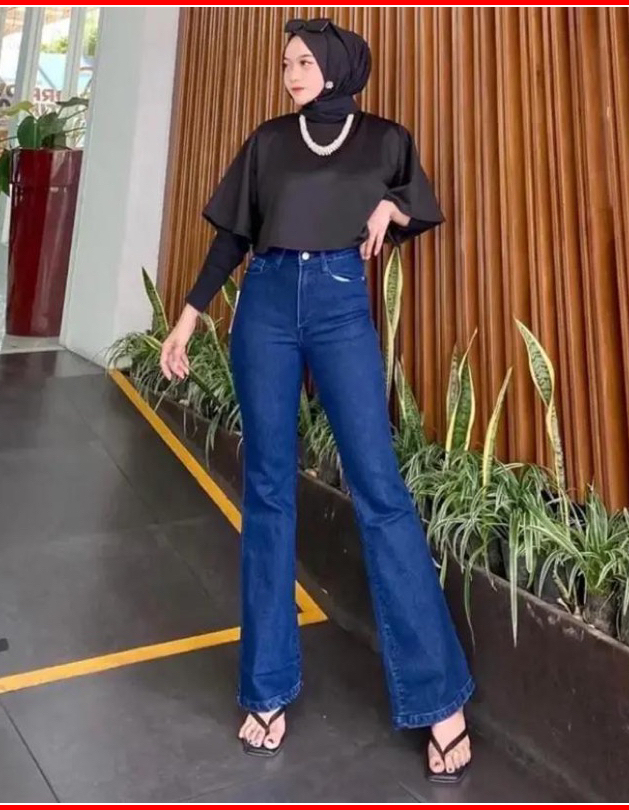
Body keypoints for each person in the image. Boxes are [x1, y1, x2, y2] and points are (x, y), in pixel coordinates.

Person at [160, 17, 473, 783]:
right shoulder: (269, 142)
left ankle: (439, 698)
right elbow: (232, 238)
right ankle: (265, 689)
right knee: (268, 492)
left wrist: (390, 210)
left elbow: (417, 205)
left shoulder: (384, 140)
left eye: (302, 61)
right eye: (285, 62)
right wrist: (189, 317)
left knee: (380, 490)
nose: (291, 72)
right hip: (265, 305)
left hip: (338, 304)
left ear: (334, 67)